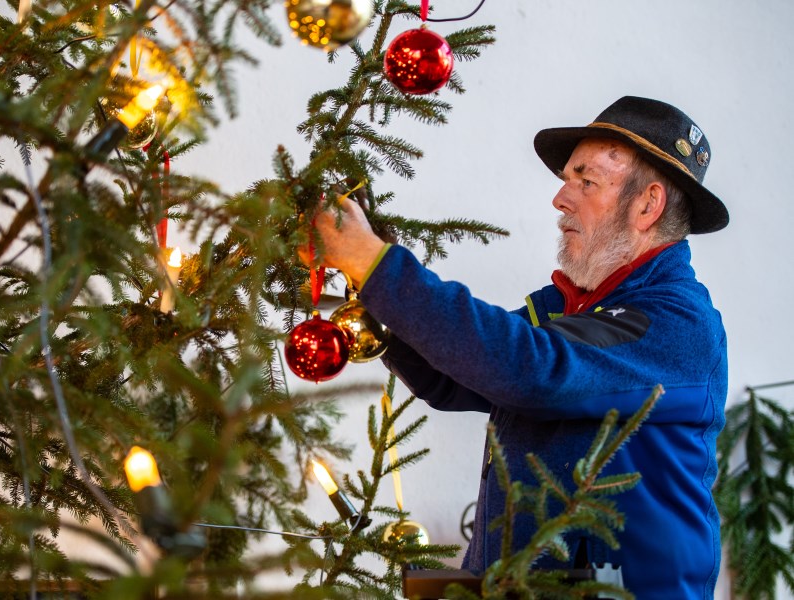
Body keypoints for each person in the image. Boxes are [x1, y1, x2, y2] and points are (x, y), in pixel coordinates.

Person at [307, 96, 729, 599]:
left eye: (585, 181)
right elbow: (459, 376)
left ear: (647, 205)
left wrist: (376, 263)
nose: (560, 198)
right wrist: (372, 289)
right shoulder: (566, 304)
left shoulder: (676, 321)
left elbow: (531, 369)